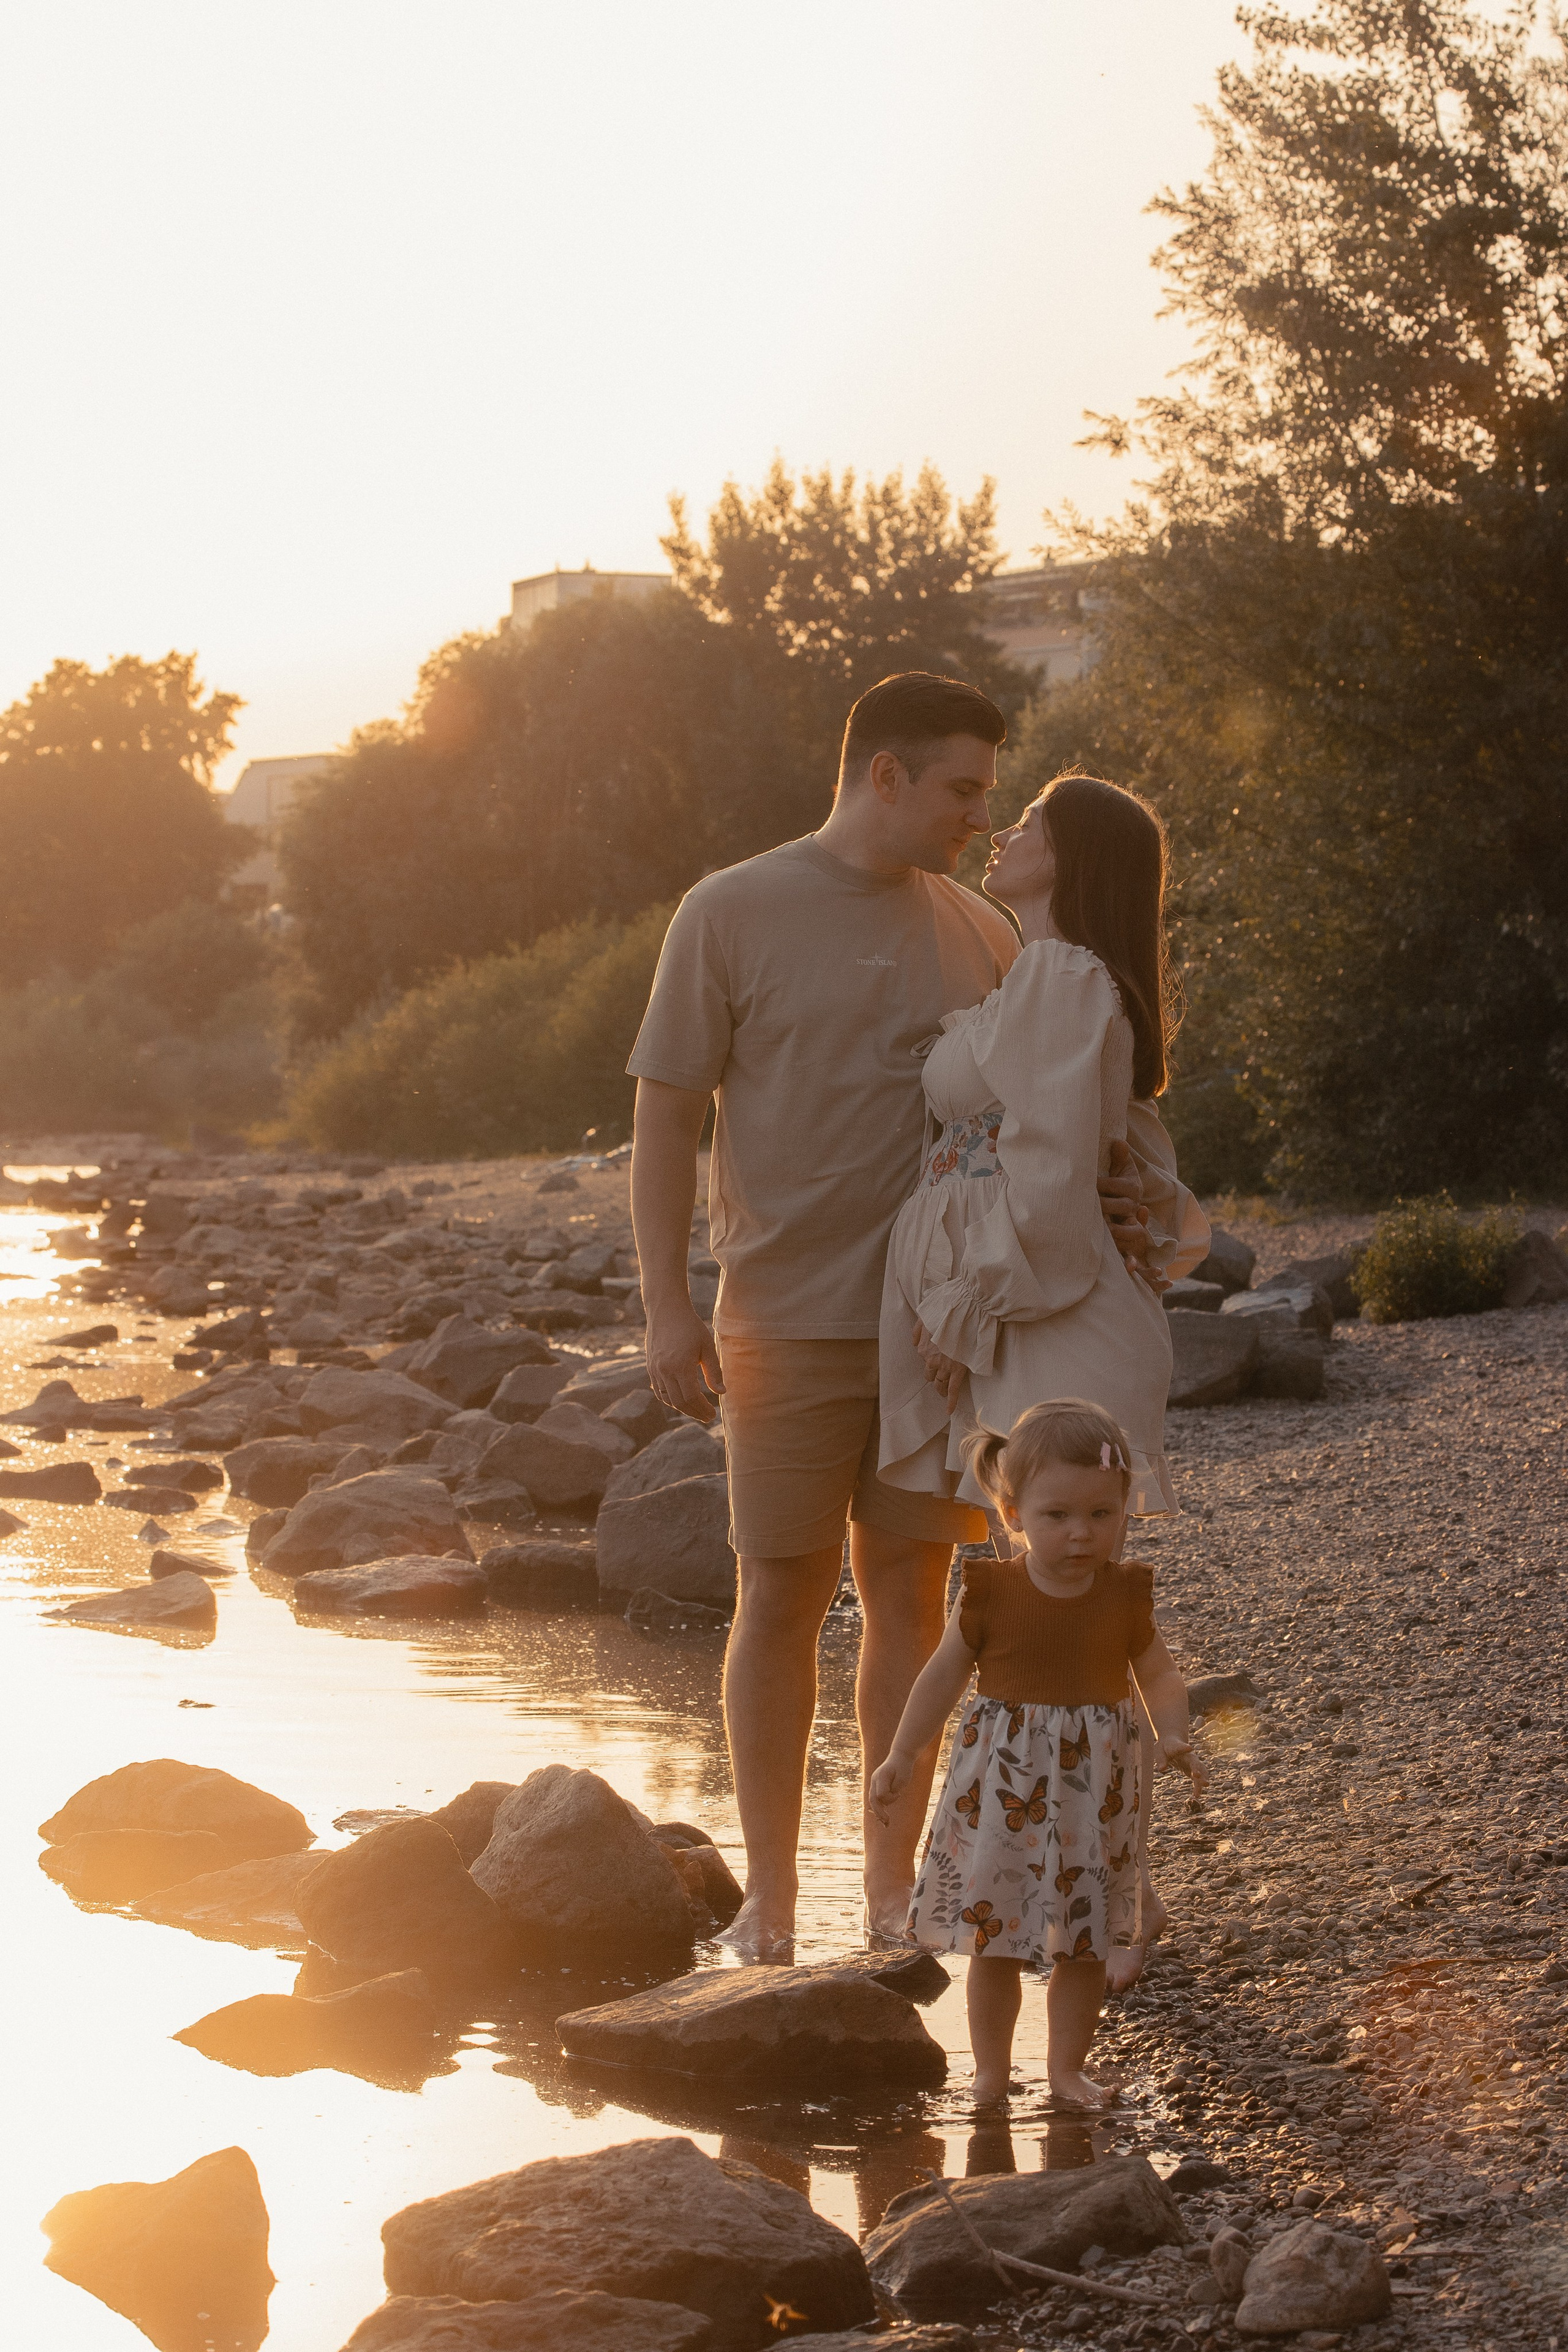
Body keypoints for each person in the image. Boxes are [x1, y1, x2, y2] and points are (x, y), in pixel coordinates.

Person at [627, 675, 1163, 1958]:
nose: (981, 817)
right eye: (963, 790)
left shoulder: (981, 928)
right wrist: (665, 1307)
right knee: (779, 1599)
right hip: (784, 1319)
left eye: (992, 795)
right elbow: (663, 1117)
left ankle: (886, 1897)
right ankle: (767, 1898)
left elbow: (1051, 1100)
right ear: (885, 778)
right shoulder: (728, 910)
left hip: (941, 1336)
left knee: (910, 1603)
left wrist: (1133, 1201)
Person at [876, 771, 1210, 1972]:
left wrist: (960, 1314)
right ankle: (1113, 1891)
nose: (1002, 830)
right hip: (1028, 1320)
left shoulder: (1067, 981)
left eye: (1028, 822)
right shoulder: (1038, 980)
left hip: (1049, 1318)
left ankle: (1114, 1895)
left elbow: (1061, 1192)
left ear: (1071, 859)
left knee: (1073, 1628)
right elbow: (1116, 1161)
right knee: (1055, 1621)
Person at [869, 1399, 1204, 2108]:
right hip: (1002, 1791)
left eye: (1100, 1515)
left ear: (1124, 1509)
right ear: (1013, 1513)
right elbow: (940, 1676)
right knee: (993, 1939)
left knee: (1082, 1943)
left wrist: (1172, 1734)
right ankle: (991, 2073)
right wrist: (901, 1753)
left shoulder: (1123, 1596)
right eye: (1057, 1517)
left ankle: (1064, 2071)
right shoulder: (992, 1592)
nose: (1081, 1535)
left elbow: (1161, 1675)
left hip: (1094, 1796)